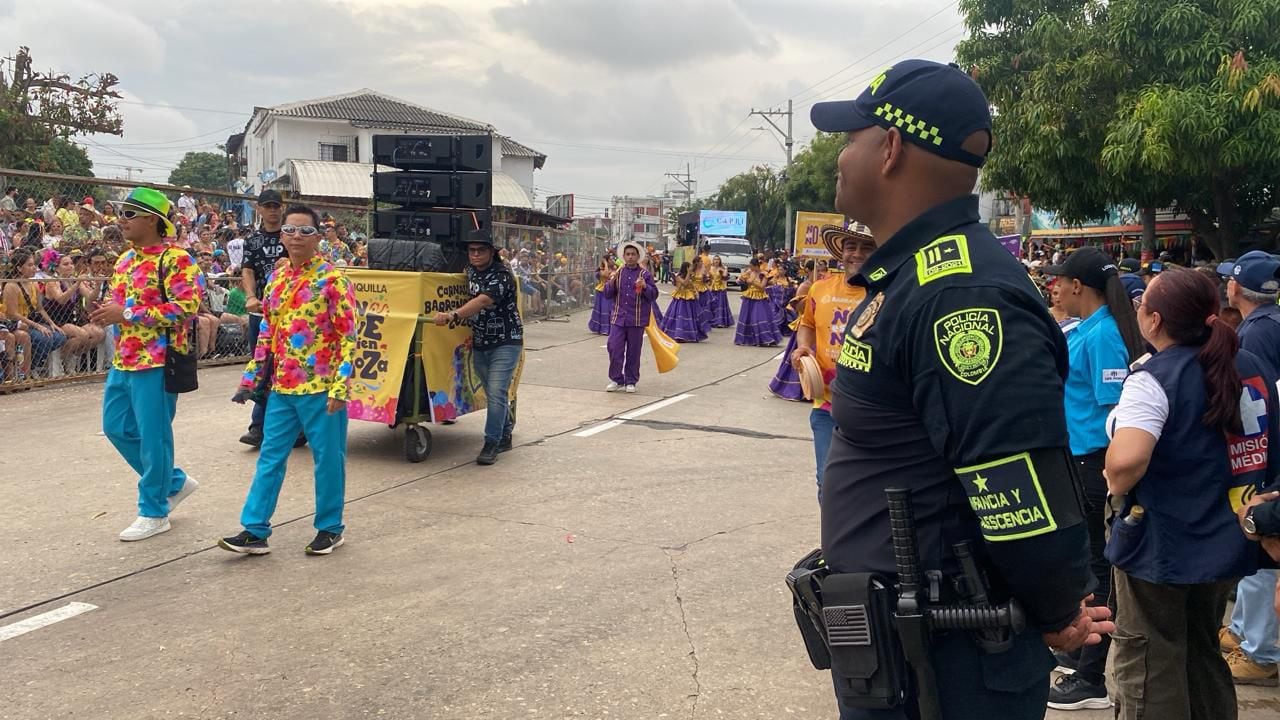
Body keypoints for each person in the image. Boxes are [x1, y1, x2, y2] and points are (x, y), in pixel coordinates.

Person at [809, 59, 1110, 718]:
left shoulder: (960, 294)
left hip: (949, 660)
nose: (840, 154)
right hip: (902, 646)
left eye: (851, 135)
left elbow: (1015, 478)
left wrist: (1059, 607)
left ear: (890, 148)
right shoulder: (917, 275)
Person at [1104, 268, 1278, 719]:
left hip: (1162, 541)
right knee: (1202, 650)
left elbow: (1125, 461)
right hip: (1230, 533)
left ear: (1155, 320)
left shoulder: (1155, 377)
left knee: (1150, 659)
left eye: (1143, 306)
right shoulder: (1252, 365)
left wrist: (1113, 481)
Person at [1039, 246, 1146, 710]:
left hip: (1093, 465)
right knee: (1085, 563)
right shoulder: (1086, 328)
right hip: (1076, 461)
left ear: (1077, 285)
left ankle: (1091, 678)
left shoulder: (1104, 336)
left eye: (1059, 279)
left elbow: (1114, 411)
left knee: (1097, 568)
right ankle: (1084, 655)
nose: (1054, 286)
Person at [220, 205, 357, 556]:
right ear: (281, 236)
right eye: (290, 230)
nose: (296, 237)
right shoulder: (277, 280)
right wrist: (250, 379)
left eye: (305, 231)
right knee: (270, 456)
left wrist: (341, 387)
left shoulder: (333, 280)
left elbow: (349, 336)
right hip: (282, 388)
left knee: (327, 459)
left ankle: (330, 528)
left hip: (321, 388)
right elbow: (267, 332)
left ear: (319, 238)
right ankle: (255, 529)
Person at [88, 187, 202, 542]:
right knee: (117, 426)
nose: (121, 221)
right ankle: (174, 482)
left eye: (128, 214)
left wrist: (126, 313)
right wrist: (108, 312)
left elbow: (187, 308)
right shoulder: (125, 261)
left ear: (152, 219)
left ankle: (154, 510)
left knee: (154, 437)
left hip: (158, 359)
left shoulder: (177, 260)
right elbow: (118, 306)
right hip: (125, 358)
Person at [1217, 250, 1280, 686]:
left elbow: (1256, 403)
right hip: (1269, 450)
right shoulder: (1271, 324)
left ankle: (1258, 651)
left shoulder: (1255, 335)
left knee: (1259, 544)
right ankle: (1241, 630)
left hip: (1261, 453)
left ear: (1236, 287)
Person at [786, 228, 875, 500]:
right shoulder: (820, 288)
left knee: (867, 488)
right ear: (841, 252)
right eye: (851, 246)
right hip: (825, 406)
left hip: (871, 410)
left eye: (866, 248)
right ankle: (834, 543)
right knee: (827, 483)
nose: (857, 254)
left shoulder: (888, 291)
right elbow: (808, 324)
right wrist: (803, 346)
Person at [432, 234, 523, 466]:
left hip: (506, 341)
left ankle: (491, 443)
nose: (475, 254)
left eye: (480, 250)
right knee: (493, 392)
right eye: (471, 250)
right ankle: (505, 430)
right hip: (481, 341)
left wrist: (453, 315)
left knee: (495, 391)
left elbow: (482, 300)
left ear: (492, 252)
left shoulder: (501, 275)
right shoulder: (469, 271)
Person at [238, 189, 287, 448]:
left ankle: (283, 425)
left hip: (290, 315)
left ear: (283, 207)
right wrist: (249, 296)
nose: (272, 210)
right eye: (267, 206)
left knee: (288, 367)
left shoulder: (293, 236)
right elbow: (247, 270)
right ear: (259, 208)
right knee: (260, 367)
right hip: (261, 313)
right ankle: (258, 426)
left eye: (275, 205)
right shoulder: (253, 240)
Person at [603, 241, 658, 394]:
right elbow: (608, 294)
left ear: (638, 256)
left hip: (636, 318)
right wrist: (611, 281)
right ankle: (616, 379)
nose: (630, 257)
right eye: (628, 254)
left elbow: (654, 295)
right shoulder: (618, 272)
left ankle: (631, 380)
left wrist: (645, 287)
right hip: (618, 317)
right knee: (613, 347)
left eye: (633, 254)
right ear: (624, 257)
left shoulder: (645, 274)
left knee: (634, 351)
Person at [2, 247, 67, 374]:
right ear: (19, 268)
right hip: (18, 324)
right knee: (44, 338)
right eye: (29, 265)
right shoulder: (11, 286)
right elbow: (13, 314)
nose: (34, 268)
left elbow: (39, 308)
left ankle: (34, 364)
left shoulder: (34, 284)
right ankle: (30, 368)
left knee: (60, 336)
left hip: (31, 322)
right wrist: (37, 326)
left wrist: (52, 324)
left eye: (34, 265)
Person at [734, 258, 781, 346]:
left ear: (756, 266)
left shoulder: (763, 274)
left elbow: (762, 286)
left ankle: (765, 338)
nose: (750, 268)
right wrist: (741, 280)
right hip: (749, 297)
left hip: (759, 297)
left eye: (751, 266)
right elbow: (739, 280)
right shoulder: (749, 272)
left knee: (758, 318)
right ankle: (746, 339)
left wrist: (751, 282)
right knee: (746, 318)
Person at [660, 262, 707, 343]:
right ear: (686, 268)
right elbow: (685, 283)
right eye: (690, 267)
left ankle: (689, 334)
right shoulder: (678, 276)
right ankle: (678, 334)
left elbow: (692, 285)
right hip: (681, 298)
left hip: (690, 298)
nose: (692, 268)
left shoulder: (691, 276)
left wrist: (696, 292)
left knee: (691, 317)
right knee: (680, 316)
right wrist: (689, 273)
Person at [587, 255, 614, 336]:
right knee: (604, 309)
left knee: (610, 309)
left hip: (611, 290)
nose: (612, 260)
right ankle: (604, 329)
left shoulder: (614, 268)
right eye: (610, 259)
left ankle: (610, 328)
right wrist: (605, 263)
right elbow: (606, 275)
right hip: (602, 291)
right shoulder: (601, 270)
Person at [708, 256, 735, 328]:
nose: (716, 261)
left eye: (718, 259)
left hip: (720, 289)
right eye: (715, 259)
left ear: (720, 261)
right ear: (713, 261)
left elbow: (725, 276)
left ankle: (720, 322)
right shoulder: (710, 268)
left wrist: (725, 269)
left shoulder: (722, 269)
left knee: (720, 305)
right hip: (712, 289)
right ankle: (711, 321)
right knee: (712, 305)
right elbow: (707, 277)